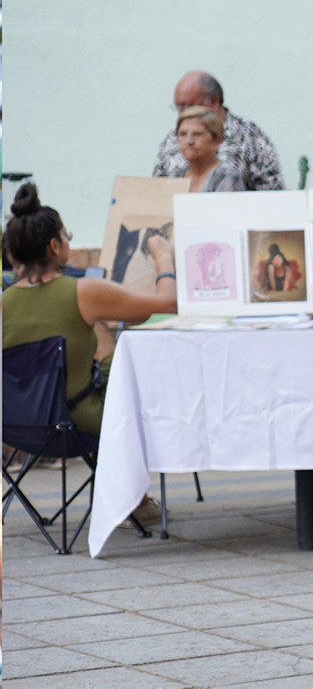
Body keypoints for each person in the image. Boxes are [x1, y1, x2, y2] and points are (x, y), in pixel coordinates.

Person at [3, 183, 178, 524]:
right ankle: (135, 501)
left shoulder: (3, 300)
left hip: (14, 427)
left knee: (89, 333)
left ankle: (134, 501)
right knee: (122, 359)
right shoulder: (83, 290)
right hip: (77, 421)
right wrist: (162, 256)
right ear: (55, 245)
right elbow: (166, 303)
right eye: (66, 235)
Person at [153, 70, 284, 191]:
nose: (182, 113)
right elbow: (158, 191)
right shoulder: (172, 139)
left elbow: (272, 193)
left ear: (214, 101)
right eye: (178, 107)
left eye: (187, 106)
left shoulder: (250, 137)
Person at [175, 106, 245, 192]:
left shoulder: (226, 176)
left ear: (216, 141)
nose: (189, 141)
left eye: (197, 134)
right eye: (183, 134)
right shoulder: (177, 177)